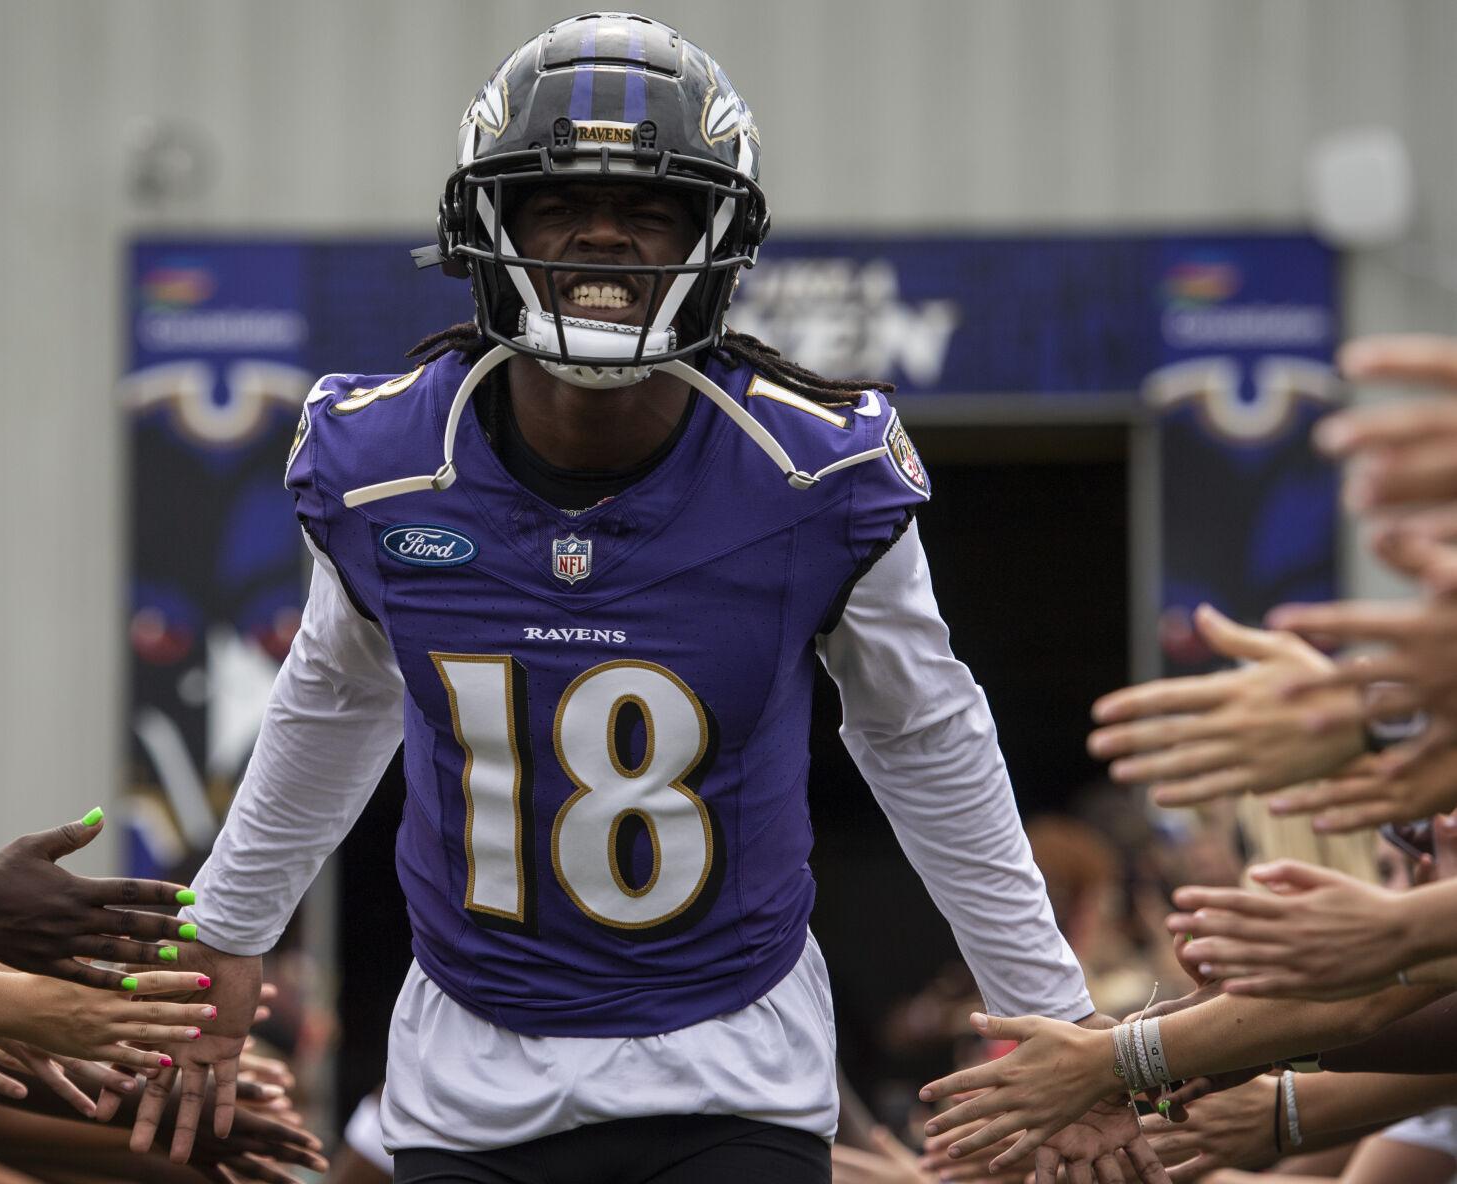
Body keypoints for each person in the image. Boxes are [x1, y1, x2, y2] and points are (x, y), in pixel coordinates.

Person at [133, 13, 1160, 1182]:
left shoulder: (807, 471)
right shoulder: (388, 459)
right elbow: (334, 698)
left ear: (717, 239)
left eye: (651, 209)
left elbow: (923, 735)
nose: (603, 237)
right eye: (559, 204)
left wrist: (1054, 1011)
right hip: (471, 1062)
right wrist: (223, 930)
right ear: (487, 226)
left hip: (729, 1056)